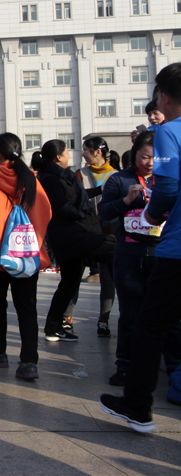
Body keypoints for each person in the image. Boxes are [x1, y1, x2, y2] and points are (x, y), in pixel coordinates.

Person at [101, 63, 181, 432]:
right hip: (140, 252)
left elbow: (167, 189)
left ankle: (137, 406)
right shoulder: (122, 178)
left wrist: (151, 214)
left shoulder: (168, 133)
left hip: (175, 250)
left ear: (163, 97)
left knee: (151, 324)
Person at [99, 131, 181, 387]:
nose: (149, 162)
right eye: (145, 157)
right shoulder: (119, 179)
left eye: (155, 158)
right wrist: (126, 201)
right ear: (135, 154)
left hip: (162, 255)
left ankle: (174, 370)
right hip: (129, 256)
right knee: (130, 315)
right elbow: (103, 212)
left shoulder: (169, 180)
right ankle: (125, 366)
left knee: (169, 316)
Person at [0, 133, 52, 381]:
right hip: (26, 255)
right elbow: (46, 213)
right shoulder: (32, 180)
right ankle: (29, 362)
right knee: (27, 308)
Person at [36, 140, 115, 342]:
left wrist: (99, 190)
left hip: (74, 235)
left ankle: (53, 328)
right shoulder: (50, 179)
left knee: (69, 283)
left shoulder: (63, 176)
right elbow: (62, 206)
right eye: (66, 152)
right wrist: (82, 215)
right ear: (58, 157)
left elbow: (77, 196)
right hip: (70, 237)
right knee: (114, 248)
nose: (69, 155)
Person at [77, 136, 118, 337]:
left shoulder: (117, 176)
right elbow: (76, 198)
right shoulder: (81, 174)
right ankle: (66, 318)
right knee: (74, 276)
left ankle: (104, 319)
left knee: (108, 278)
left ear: (97, 152)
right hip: (86, 231)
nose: (83, 153)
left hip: (111, 232)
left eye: (86, 150)